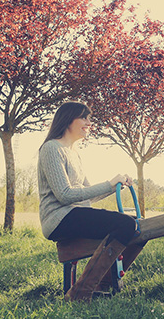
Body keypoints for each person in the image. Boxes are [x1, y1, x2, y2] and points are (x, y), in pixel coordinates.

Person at [38, 101, 141, 301]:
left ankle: (102, 285)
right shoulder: (51, 148)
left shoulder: (74, 154)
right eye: (84, 118)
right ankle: (80, 293)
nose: (89, 122)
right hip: (59, 218)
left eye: (89, 118)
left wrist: (114, 186)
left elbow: (87, 194)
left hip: (75, 214)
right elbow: (65, 195)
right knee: (127, 224)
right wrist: (108, 183)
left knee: (138, 227)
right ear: (68, 120)